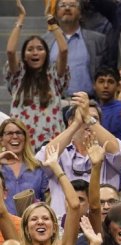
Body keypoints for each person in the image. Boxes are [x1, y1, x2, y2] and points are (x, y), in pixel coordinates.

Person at [6, 0, 69, 147]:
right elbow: (9, 51)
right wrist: (21, 18)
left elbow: (64, 50)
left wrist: (51, 20)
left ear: (46, 53)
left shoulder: (54, 75)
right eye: (30, 49)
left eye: (40, 48)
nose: (35, 52)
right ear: (24, 55)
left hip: (51, 145)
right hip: (22, 144)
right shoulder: (18, 75)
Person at [43, 0, 107, 96]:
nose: (67, 8)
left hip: (87, 103)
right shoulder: (45, 41)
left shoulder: (97, 40)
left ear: (81, 13)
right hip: (53, 103)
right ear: (55, 14)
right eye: (62, 5)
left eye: (72, 5)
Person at [0, 119, 48, 216]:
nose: (15, 136)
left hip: (30, 226)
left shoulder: (38, 168)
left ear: (25, 138)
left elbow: (46, 202)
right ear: (1, 140)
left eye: (19, 133)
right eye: (9, 133)